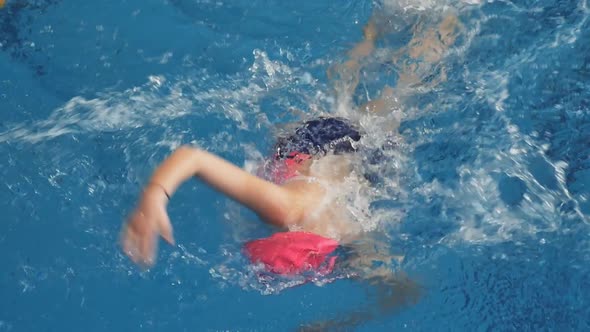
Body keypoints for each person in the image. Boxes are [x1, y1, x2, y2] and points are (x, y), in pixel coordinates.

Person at [121, 9, 459, 329]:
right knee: (377, 88)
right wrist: (154, 196)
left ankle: (436, 22)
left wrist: (337, 324)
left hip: (335, 148)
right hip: (332, 155)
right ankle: (397, 29)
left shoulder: (305, 219)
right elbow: (406, 292)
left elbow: (406, 292)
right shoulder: (336, 233)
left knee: (400, 94)